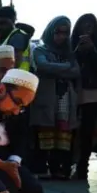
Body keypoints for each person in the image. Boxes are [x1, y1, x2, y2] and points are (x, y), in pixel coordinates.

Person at [30, 16, 80, 180]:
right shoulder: (40, 50)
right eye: (58, 32)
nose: (62, 36)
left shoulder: (69, 52)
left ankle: (59, 167)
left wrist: (57, 69)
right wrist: (65, 67)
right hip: (46, 97)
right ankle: (41, 167)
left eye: (65, 33)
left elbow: (76, 72)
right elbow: (43, 66)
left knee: (63, 133)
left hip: (65, 98)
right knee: (45, 131)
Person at [71, 14, 97, 180]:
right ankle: (68, 163)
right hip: (72, 90)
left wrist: (92, 50)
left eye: (90, 26)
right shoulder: (71, 45)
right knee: (71, 129)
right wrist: (78, 51)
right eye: (83, 25)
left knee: (87, 130)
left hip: (92, 91)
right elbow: (70, 65)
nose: (87, 29)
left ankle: (83, 167)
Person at [0, 6, 34, 71]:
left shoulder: (17, 36)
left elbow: (14, 64)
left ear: (13, 21)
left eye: (3, 23)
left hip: (17, 78)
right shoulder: (7, 37)